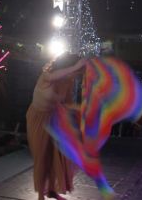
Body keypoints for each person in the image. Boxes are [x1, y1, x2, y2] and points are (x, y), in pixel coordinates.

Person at [26, 54, 86, 200]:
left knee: (55, 157)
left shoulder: (68, 82)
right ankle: (41, 195)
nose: (76, 76)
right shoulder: (47, 75)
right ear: (68, 67)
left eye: (79, 74)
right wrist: (76, 66)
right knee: (42, 157)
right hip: (38, 119)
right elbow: (55, 77)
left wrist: (80, 108)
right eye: (76, 72)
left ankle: (52, 190)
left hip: (53, 118)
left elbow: (66, 104)